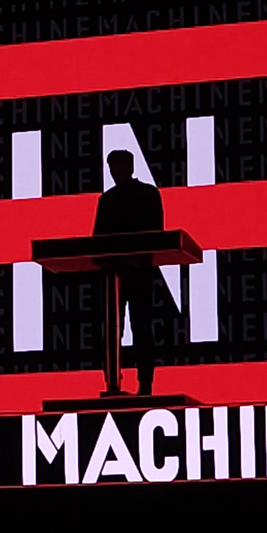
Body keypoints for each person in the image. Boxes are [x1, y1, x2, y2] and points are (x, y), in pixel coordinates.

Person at [93, 150, 166, 395]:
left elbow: (155, 234)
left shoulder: (147, 195)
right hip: (114, 275)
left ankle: (144, 384)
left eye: (117, 167)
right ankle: (113, 383)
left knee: (141, 328)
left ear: (130, 167)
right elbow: (97, 241)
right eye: (111, 168)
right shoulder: (107, 200)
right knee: (114, 331)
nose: (114, 172)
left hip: (139, 273)